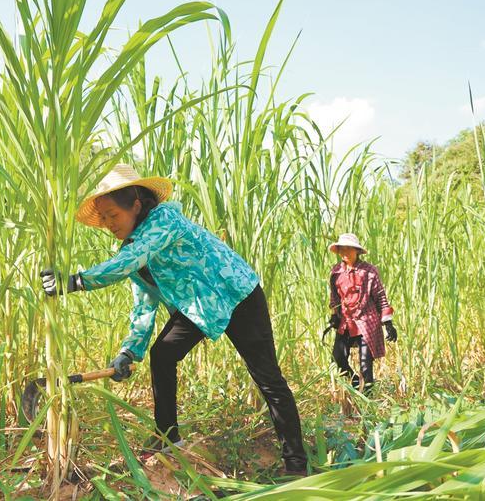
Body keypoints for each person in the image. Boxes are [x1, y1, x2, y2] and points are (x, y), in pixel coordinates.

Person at [40, 163, 307, 474]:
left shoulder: (164, 220)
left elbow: (127, 261)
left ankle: (296, 463)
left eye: (113, 215)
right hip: (197, 306)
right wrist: (128, 352)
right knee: (162, 354)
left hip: (237, 294)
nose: (109, 224)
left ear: (136, 206)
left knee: (268, 379)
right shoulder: (133, 251)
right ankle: (168, 439)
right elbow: (143, 307)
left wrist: (77, 281)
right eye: (104, 218)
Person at [325, 233, 398, 394]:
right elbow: (334, 297)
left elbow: (380, 297)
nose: (345, 252)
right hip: (346, 322)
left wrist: (388, 323)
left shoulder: (369, 272)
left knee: (365, 363)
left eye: (348, 249)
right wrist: (334, 316)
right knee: (338, 356)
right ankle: (357, 383)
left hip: (366, 321)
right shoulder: (336, 272)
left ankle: (368, 399)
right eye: (342, 249)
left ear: (356, 251)